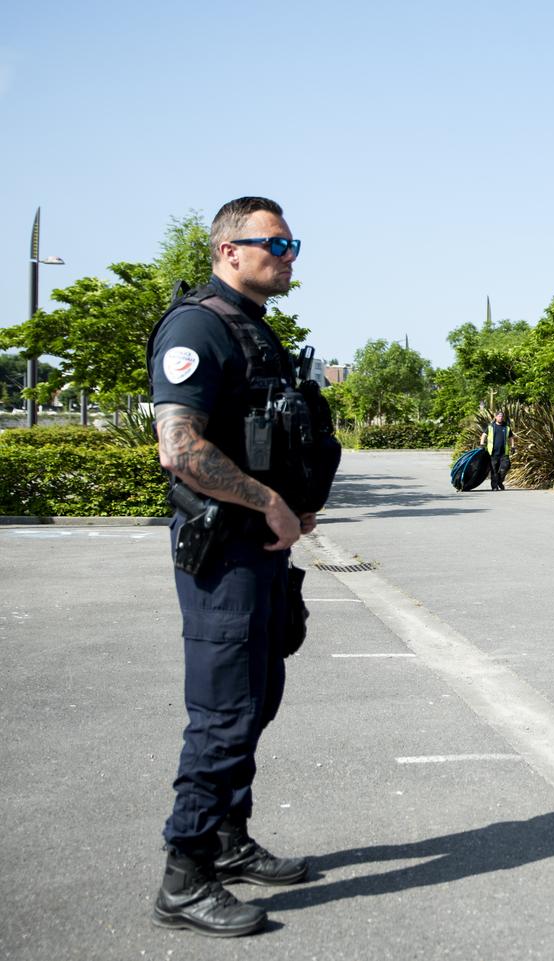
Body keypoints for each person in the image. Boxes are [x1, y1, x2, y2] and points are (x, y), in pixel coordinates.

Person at [147, 197, 320, 937]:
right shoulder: (197, 328)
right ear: (228, 250)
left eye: (293, 243)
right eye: (275, 243)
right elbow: (179, 448)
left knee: (259, 694)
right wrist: (269, 502)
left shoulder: (255, 328)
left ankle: (226, 837)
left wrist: (297, 500)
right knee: (224, 711)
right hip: (224, 552)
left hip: (262, 550)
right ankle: (184, 875)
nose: (289, 255)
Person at [485, 410, 512, 490]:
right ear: (496, 417)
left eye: (502, 416)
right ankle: (494, 486)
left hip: (504, 452)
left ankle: (499, 481)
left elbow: (511, 437)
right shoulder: (491, 427)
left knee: (506, 466)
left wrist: (513, 446)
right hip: (493, 453)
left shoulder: (506, 427)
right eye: (499, 416)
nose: (501, 418)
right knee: (494, 470)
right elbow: (484, 435)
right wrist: (482, 444)